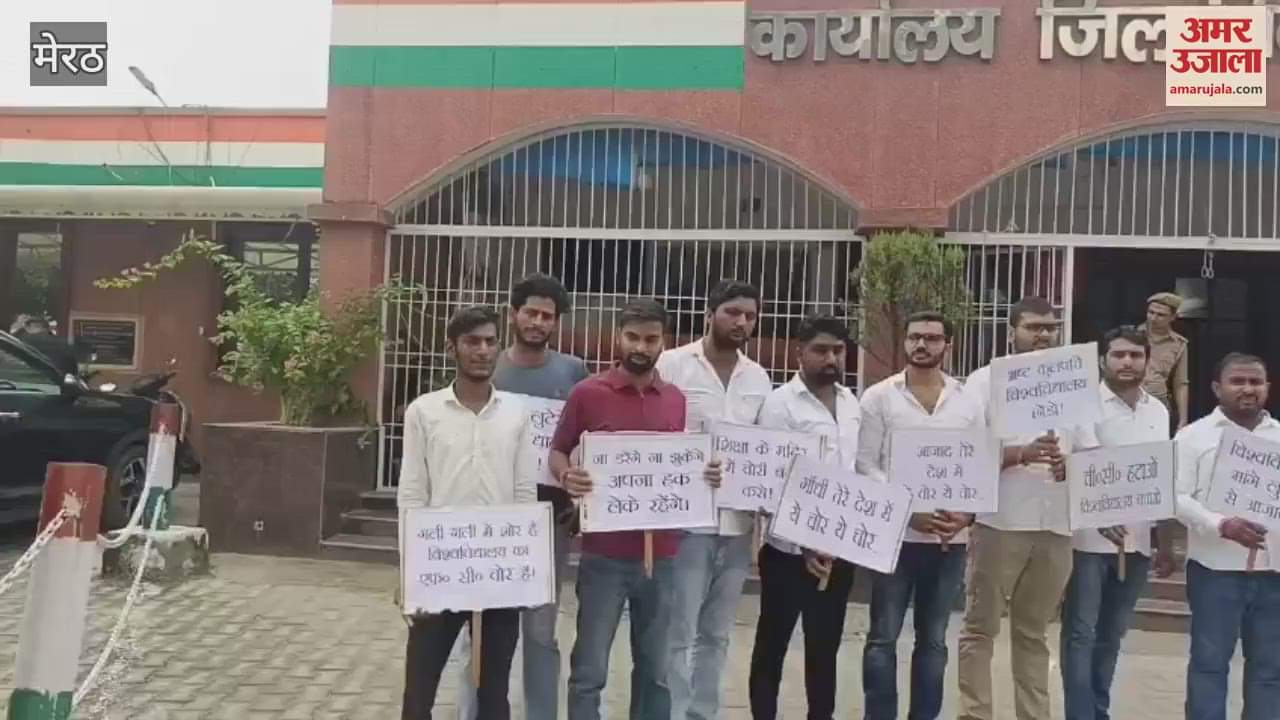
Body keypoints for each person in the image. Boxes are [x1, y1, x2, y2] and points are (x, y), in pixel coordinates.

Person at [550, 298, 722, 720]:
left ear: (664, 342)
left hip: (662, 557)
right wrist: (567, 476)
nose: (641, 347)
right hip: (603, 555)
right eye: (633, 337)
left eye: (650, 338)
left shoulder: (676, 400)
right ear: (618, 337)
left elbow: (678, 467)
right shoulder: (587, 393)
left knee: (656, 671)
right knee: (590, 668)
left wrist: (706, 475)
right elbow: (557, 451)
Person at [957, 296, 1099, 720]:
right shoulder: (984, 382)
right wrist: (1020, 453)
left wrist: (1066, 466)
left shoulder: (1074, 383)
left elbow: (1090, 452)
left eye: (1050, 327)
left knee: (1034, 633)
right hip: (999, 520)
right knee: (981, 627)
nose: (1043, 335)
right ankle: (975, 714)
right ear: (1011, 331)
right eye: (1033, 327)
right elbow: (964, 453)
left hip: (1056, 524)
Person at [454, 274, 589, 720]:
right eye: (530, 312)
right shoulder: (488, 367)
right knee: (478, 632)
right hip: (487, 521)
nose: (537, 321)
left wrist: (579, 500)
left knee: (539, 634)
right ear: (513, 313)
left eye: (547, 316)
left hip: (548, 522)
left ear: (556, 323)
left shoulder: (572, 372)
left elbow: (583, 443)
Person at [396, 305, 535, 720]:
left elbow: (525, 491)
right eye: (472, 342)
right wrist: (410, 573)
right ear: (452, 348)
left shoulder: (516, 412)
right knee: (420, 689)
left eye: (491, 341)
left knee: (494, 692)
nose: (482, 350)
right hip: (441, 566)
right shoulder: (424, 411)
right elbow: (412, 492)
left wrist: (522, 568)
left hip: (498, 570)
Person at [856, 311, 982, 720]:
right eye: (914, 337)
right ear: (905, 342)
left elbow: (978, 465)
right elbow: (864, 464)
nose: (921, 345)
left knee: (933, 641)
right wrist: (906, 510)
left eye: (931, 337)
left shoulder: (969, 400)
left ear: (949, 345)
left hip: (949, 541)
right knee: (882, 639)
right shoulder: (878, 397)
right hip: (894, 539)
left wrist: (967, 513)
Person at [657, 280, 773, 720]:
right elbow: (656, 440)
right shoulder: (671, 366)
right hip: (687, 524)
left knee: (718, 633)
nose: (741, 322)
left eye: (749, 315)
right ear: (710, 314)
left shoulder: (758, 377)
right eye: (733, 312)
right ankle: (670, 710)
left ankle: (702, 713)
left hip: (738, 527)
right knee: (679, 629)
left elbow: (766, 450)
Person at [1058, 325, 1176, 720]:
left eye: (1135, 355)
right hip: (1088, 541)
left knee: (1111, 635)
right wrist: (1100, 512)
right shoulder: (1081, 406)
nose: (1127, 362)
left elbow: (1160, 475)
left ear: (1147, 360)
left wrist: (1164, 541)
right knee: (1081, 633)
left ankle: (1098, 708)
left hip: (1137, 540)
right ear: (1102, 360)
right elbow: (1079, 464)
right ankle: (1080, 714)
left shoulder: (1158, 410)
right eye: (1119, 355)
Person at [749, 313, 861, 720]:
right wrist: (803, 542)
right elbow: (772, 480)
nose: (829, 358)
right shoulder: (779, 405)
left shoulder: (851, 405)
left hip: (838, 551)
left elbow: (856, 475)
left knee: (824, 647)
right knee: (771, 645)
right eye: (820, 350)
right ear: (800, 353)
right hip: (787, 553)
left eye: (837, 350)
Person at [1174, 353, 1280, 720]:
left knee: (1270, 670)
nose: (1248, 389)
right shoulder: (1192, 437)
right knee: (1209, 665)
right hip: (1215, 570)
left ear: (1267, 387)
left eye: (1256, 382)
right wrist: (1220, 524)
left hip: (1273, 573)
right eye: (1238, 381)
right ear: (1217, 388)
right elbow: (1176, 497)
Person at [1139, 292, 1190, 432]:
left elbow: (1181, 384)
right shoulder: (1133, 335)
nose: (1153, 318)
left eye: (1160, 315)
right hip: (1130, 400)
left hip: (1158, 402)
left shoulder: (1179, 344)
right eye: (1151, 312)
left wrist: (1183, 420)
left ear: (1173, 317)